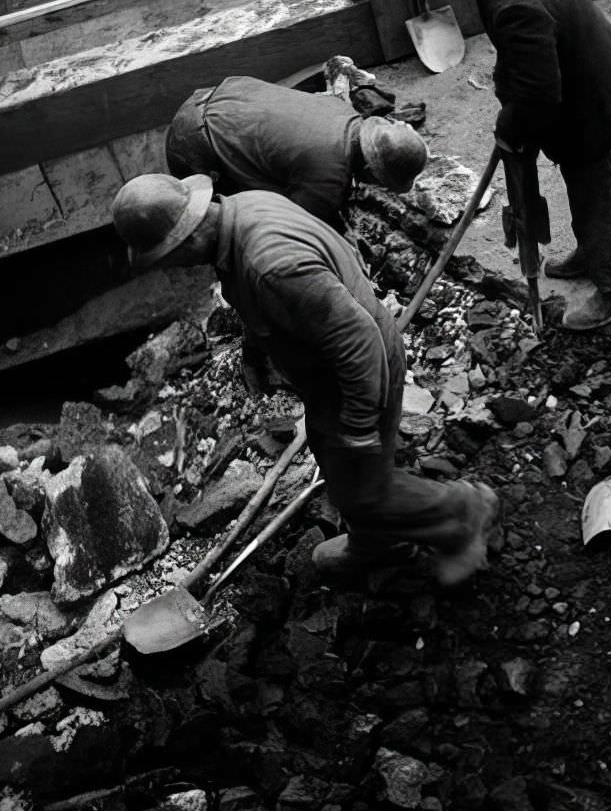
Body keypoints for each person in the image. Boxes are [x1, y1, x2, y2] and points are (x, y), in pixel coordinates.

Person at [111, 173, 499, 586]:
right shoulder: (242, 208)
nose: (174, 268)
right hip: (328, 374)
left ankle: (462, 513)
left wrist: (359, 422)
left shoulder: (271, 265)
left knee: (360, 489)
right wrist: (256, 348)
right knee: (333, 458)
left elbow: (359, 342)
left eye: (168, 258)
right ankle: (377, 546)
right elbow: (271, 299)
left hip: (358, 372)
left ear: (186, 238)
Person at [397, 0, 611, 331]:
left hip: (597, 104)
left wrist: (509, 125)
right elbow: (530, 51)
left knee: (603, 194)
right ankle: (597, 251)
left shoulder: (512, 0)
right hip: (598, 73)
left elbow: (540, 96)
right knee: (591, 196)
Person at [165, 76, 429, 232]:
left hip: (213, 96)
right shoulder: (328, 180)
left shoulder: (342, 111)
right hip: (191, 146)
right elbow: (298, 228)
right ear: (372, 170)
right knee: (255, 214)